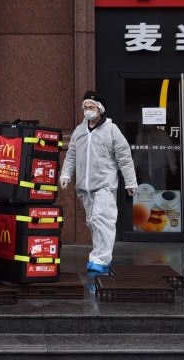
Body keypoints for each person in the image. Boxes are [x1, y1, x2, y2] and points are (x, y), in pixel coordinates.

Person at [59, 90, 138, 275]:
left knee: (103, 221)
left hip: (104, 184)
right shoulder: (79, 131)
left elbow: (124, 157)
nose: (87, 110)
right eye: (85, 107)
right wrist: (66, 175)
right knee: (93, 223)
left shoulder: (111, 130)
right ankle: (101, 257)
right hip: (84, 186)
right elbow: (71, 155)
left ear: (100, 109)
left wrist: (130, 182)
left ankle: (100, 260)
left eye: (91, 107)